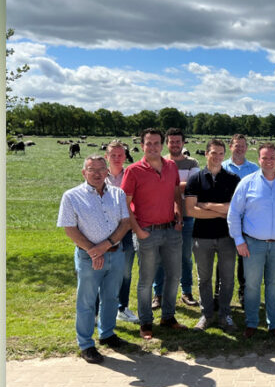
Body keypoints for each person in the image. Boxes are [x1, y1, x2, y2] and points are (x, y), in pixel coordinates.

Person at [57, 155, 131, 363]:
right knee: (87, 301)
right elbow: (70, 229)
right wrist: (93, 251)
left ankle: (107, 334)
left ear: (107, 171)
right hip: (88, 258)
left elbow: (125, 223)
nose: (98, 173)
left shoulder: (117, 193)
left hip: (115, 255)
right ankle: (86, 344)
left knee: (111, 298)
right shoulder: (71, 196)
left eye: (101, 169)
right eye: (92, 169)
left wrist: (105, 246)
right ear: (84, 173)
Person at [227, 142, 275, 338]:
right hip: (253, 243)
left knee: (273, 283)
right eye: (264, 158)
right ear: (259, 160)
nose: (268, 161)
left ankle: (274, 324)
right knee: (252, 285)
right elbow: (234, 213)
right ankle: (252, 323)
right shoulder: (247, 182)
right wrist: (238, 240)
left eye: (272, 158)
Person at [121, 127, 185, 340]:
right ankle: (146, 322)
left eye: (157, 143)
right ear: (142, 145)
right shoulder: (133, 170)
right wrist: (137, 230)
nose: (153, 147)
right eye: (149, 143)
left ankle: (168, 316)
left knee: (174, 276)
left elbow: (176, 192)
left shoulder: (171, 166)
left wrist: (178, 214)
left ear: (162, 144)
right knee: (146, 280)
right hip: (146, 232)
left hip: (171, 230)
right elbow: (125, 205)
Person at [184, 138, 241, 331]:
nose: (216, 156)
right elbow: (191, 210)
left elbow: (234, 209)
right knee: (204, 278)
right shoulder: (195, 179)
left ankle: (225, 314)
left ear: (224, 155)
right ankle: (206, 315)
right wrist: (221, 211)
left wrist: (206, 205)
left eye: (220, 153)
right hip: (202, 237)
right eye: (213, 152)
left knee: (227, 278)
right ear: (206, 153)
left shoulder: (233, 179)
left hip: (227, 236)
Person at [152, 128, 200, 308]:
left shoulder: (192, 162)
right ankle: (158, 294)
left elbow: (194, 186)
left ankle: (186, 291)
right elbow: (155, 188)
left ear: (183, 143)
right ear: (167, 143)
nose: (175, 144)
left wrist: (168, 186)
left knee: (185, 256)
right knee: (159, 258)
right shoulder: (160, 162)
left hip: (187, 217)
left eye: (178, 141)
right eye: (171, 141)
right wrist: (178, 187)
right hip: (162, 218)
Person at [220, 134, 259, 307]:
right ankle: (219, 295)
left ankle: (244, 294)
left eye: (243, 145)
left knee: (245, 261)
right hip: (223, 220)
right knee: (223, 259)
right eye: (237, 145)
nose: (240, 148)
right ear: (231, 147)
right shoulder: (222, 167)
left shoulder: (254, 169)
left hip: (248, 221)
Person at [105, 140, 139, 324]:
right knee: (101, 270)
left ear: (125, 157)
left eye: (120, 155)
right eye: (113, 155)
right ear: (106, 157)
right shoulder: (99, 176)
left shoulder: (132, 175)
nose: (117, 159)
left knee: (125, 271)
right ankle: (99, 310)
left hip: (126, 229)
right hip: (102, 231)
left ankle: (122, 308)